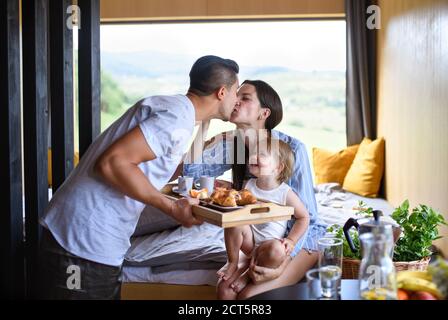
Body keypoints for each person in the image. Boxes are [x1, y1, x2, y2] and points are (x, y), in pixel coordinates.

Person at [38, 55, 240, 299]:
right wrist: (171, 206)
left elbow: (147, 166)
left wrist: (195, 165)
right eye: (236, 91)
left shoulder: (178, 112)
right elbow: (113, 163)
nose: (237, 99)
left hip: (90, 239)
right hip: (82, 239)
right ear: (221, 92)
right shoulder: (176, 119)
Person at [183, 80, 327, 299]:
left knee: (247, 296)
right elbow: (191, 174)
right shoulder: (236, 147)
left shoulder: (292, 149)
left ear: (264, 113)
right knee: (224, 290)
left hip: (300, 242)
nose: (235, 100)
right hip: (258, 239)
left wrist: (282, 263)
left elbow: (309, 219)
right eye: (235, 95)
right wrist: (206, 123)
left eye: (245, 97)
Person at [216, 138, 310, 299]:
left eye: (261, 155)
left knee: (277, 250)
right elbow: (237, 201)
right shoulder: (249, 185)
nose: (253, 157)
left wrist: (292, 240)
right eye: (253, 153)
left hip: (269, 246)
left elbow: (304, 217)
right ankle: (232, 262)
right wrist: (226, 190)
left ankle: (247, 275)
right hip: (250, 242)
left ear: (278, 167)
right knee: (234, 221)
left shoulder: (285, 193)